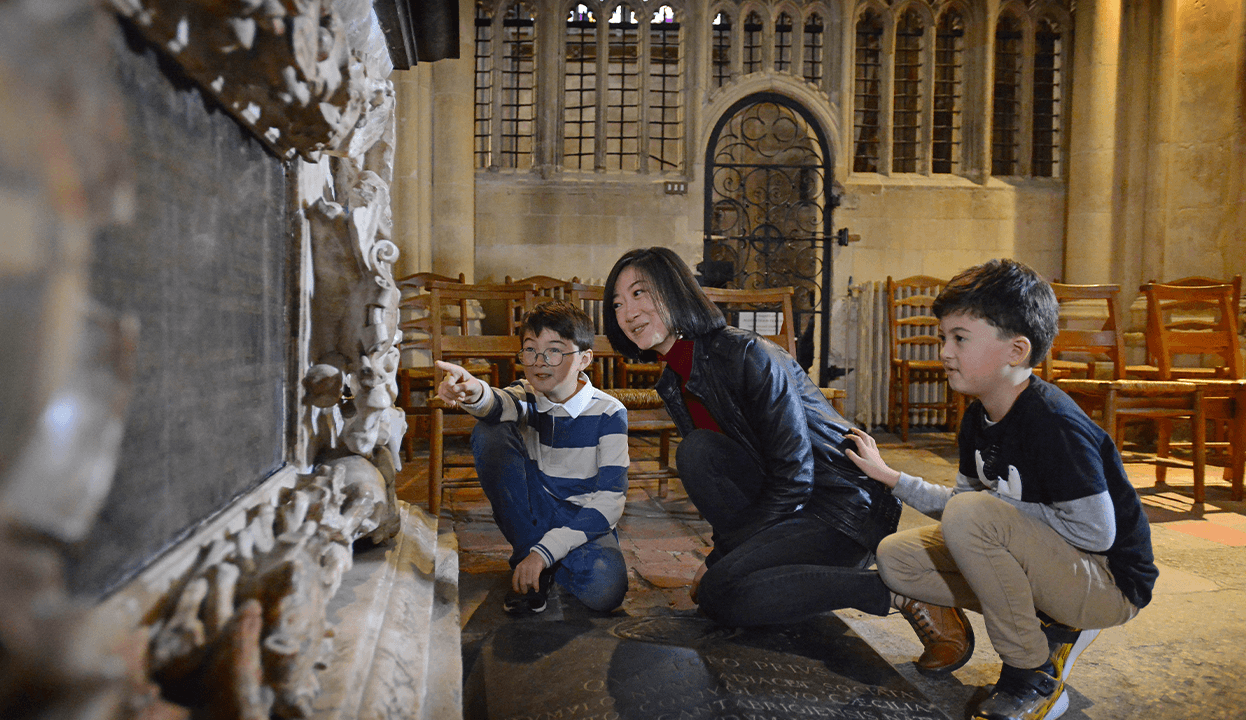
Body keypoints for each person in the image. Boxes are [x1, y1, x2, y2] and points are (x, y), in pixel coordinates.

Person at [846, 259, 1158, 720]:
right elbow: (964, 508)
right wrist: (891, 477)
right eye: (943, 338)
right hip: (1056, 563)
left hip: (1108, 582)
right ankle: (1048, 622)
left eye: (960, 338)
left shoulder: (1053, 423)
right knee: (897, 558)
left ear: (1016, 350)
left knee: (973, 515)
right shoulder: (978, 417)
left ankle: (1032, 673)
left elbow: (1096, 533)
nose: (944, 352)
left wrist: (995, 511)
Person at [604, 246, 934, 629]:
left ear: (674, 289)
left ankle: (898, 591)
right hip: (787, 516)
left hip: (841, 515)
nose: (628, 313)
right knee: (699, 454)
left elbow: (795, 477)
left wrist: (719, 559)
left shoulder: (747, 353)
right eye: (618, 303)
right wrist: (725, 556)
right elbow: (730, 485)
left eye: (639, 293)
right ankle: (780, 580)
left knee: (718, 591)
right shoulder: (674, 380)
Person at [436, 300, 629, 615]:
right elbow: (497, 403)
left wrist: (545, 552)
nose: (539, 362)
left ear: (584, 359)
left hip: (581, 516)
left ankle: (540, 561)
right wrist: (473, 392)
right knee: (490, 430)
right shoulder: (527, 395)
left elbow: (610, 502)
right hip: (534, 510)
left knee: (606, 590)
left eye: (554, 350)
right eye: (530, 350)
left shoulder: (608, 412)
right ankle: (532, 557)